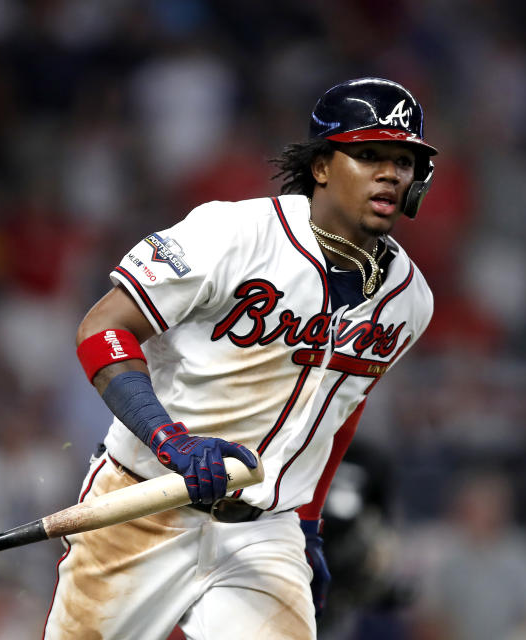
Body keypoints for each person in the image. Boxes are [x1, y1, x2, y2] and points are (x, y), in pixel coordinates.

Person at [43, 77, 437, 640]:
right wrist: (169, 439)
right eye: (369, 154)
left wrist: (308, 522)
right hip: (142, 501)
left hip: (264, 533)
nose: (391, 174)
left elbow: (337, 411)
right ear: (322, 166)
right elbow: (102, 330)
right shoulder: (232, 233)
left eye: (404, 161)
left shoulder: (410, 300)